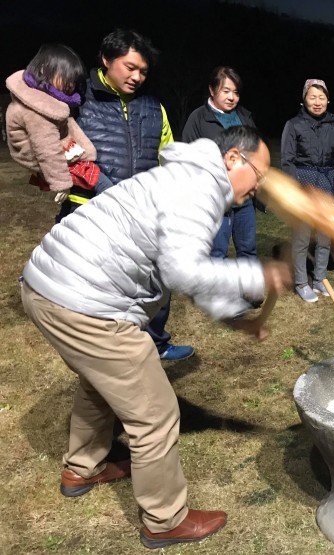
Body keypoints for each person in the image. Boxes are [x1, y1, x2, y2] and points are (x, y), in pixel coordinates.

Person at [21, 125, 291, 549]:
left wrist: (238, 318)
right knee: (155, 414)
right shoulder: (201, 188)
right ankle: (165, 520)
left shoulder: (187, 176)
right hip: (83, 301)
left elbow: (181, 269)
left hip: (48, 285)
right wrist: (259, 274)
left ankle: (83, 467)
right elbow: (184, 272)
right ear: (233, 159)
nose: (258, 187)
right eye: (259, 174)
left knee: (101, 380)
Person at [70, 29, 193, 362]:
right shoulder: (79, 100)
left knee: (157, 282)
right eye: (130, 67)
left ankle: (156, 344)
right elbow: (62, 148)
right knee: (102, 292)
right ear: (106, 60)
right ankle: (106, 357)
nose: (137, 77)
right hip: (92, 211)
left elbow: (168, 156)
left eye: (143, 71)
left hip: (144, 212)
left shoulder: (153, 107)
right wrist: (100, 185)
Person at [5, 44, 112, 203]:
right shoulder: (38, 109)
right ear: (45, 70)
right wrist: (61, 183)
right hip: (59, 162)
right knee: (106, 187)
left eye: (73, 80)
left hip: (62, 158)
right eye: (66, 77)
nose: (71, 85)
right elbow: (47, 149)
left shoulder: (43, 99)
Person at [281, 78, 334, 303]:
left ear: (328, 100)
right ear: (304, 99)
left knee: (324, 237)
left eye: (321, 97)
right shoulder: (294, 125)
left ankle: (320, 278)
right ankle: (301, 282)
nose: (317, 102)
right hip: (303, 183)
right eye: (312, 97)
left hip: (327, 184)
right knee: (302, 237)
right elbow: (287, 161)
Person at [183, 66, 259, 261]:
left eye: (236, 92)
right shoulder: (198, 118)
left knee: (248, 251)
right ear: (212, 89)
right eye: (226, 91)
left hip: (244, 201)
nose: (232, 97)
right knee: (216, 254)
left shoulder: (244, 117)